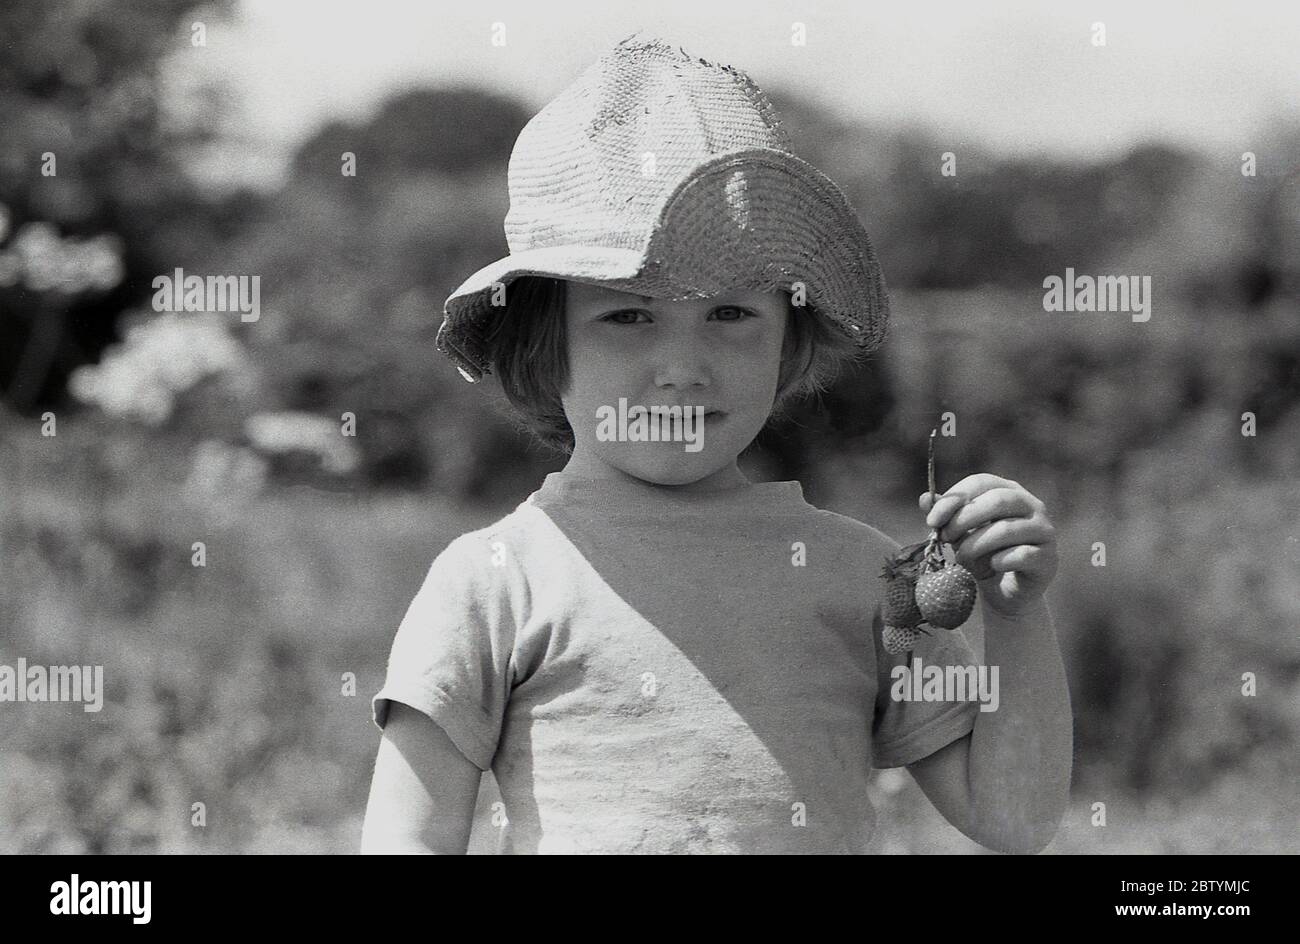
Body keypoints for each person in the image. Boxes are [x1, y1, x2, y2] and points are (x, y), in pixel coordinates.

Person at [360, 32, 1071, 854]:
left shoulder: (869, 580)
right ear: (542, 342)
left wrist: (1017, 617)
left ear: (789, 339)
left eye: (731, 314)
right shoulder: (495, 582)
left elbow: (1014, 821)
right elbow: (407, 840)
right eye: (628, 315)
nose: (684, 368)